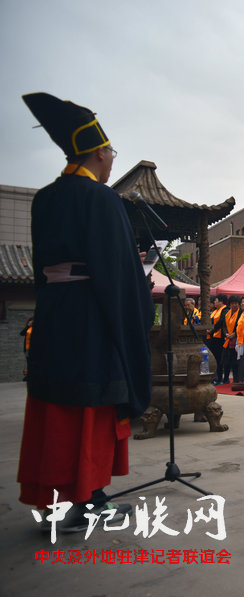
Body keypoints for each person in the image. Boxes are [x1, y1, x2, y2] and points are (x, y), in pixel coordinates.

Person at [18, 92, 153, 531]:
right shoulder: (101, 199)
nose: (112, 159)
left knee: (54, 407)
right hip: (93, 317)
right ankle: (86, 499)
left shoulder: (45, 199)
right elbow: (117, 270)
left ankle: (63, 498)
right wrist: (137, 306)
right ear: (98, 153)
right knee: (90, 406)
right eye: (111, 152)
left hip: (57, 314)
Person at [207, 293, 228, 385]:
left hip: (221, 338)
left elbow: (221, 322)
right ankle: (217, 377)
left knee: (221, 359)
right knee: (215, 358)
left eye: (216, 300)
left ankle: (222, 378)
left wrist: (212, 329)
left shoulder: (225, 310)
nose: (214, 302)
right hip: (214, 337)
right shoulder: (215, 311)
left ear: (221, 301)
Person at [221, 295, 242, 384]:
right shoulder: (227, 313)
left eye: (236, 303)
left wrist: (234, 334)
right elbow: (224, 325)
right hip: (227, 339)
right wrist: (226, 333)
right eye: (232, 303)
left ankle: (236, 379)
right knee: (226, 361)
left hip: (236, 339)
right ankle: (225, 379)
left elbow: (240, 326)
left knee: (235, 361)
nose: (234, 305)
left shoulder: (240, 313)